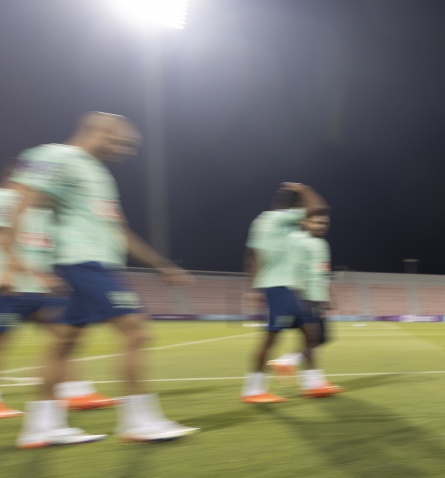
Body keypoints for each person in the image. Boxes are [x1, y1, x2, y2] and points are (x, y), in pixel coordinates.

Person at [5, 112, 198, 447]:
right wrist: (15, 258)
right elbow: (20, 198)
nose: (127, 150)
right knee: (136, 332)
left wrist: (162, 266)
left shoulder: (99, 174)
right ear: (99, 131)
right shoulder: (55, 155)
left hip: (98, 265)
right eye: (122, 141)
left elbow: (118, 230)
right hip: (80, 263)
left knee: (65, 342)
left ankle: (42, 426)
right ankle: (139, 421)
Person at [0, 172, 119, 418]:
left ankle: (75, 391)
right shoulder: (5, 199)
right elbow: (3, 237)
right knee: (2, 342)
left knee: (67, 334)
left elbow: (47, 245)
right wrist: (9, 272)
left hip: (40, 288)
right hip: (9, 286)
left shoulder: (48, 210)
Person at [240, 182, 325, 403]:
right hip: (281, 287)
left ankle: (312, 383)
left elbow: (252, 256)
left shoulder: (261, 221)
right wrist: (303, 189)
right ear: (295, 208)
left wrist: (253, 287)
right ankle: (252, 389)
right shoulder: (282, 218)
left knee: (311, 335)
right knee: (271, 339)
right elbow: (318, 207)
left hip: (282, 287)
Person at [284, 204, 343, 397]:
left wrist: (328, 297)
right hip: (304, 297)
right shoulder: (299, 240)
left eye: (324, 223)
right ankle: (309, 380)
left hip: (317, 297)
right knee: (314, 338)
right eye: (317, 222)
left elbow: (323, 273)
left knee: (320, 338)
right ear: (306, 222)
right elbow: (296, 271)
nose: (321, 226)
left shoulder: (322, 244)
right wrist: (299, 298)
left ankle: (306, 378)